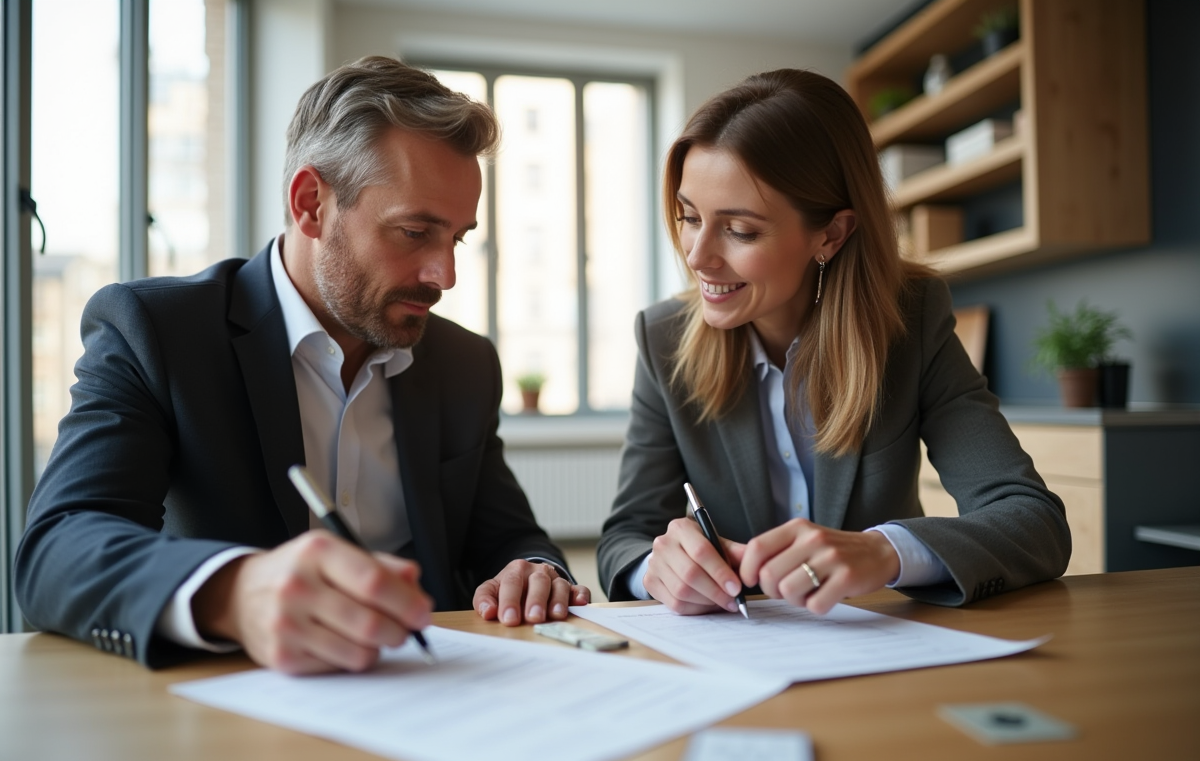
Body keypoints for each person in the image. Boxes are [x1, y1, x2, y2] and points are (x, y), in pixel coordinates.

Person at [17, 56, 589, 673]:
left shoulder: (465, 363)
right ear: (311, 203)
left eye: (457, 238)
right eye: (415, 232)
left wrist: (536, 572)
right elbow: (57, 549)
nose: (444, 275)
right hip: (235, 713)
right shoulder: (158, 331)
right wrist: (233, 592)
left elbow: (508, 539)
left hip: (437, 694)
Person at [597, 69, 1070, 615]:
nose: (697, 256)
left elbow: (1033, 520)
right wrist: (655, 569)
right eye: (689, 217)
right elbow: (624, 538)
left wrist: (885, 551)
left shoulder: (911, 323)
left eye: (740, 230)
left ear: (831, 234)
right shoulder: (663, 340)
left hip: (881, 649)